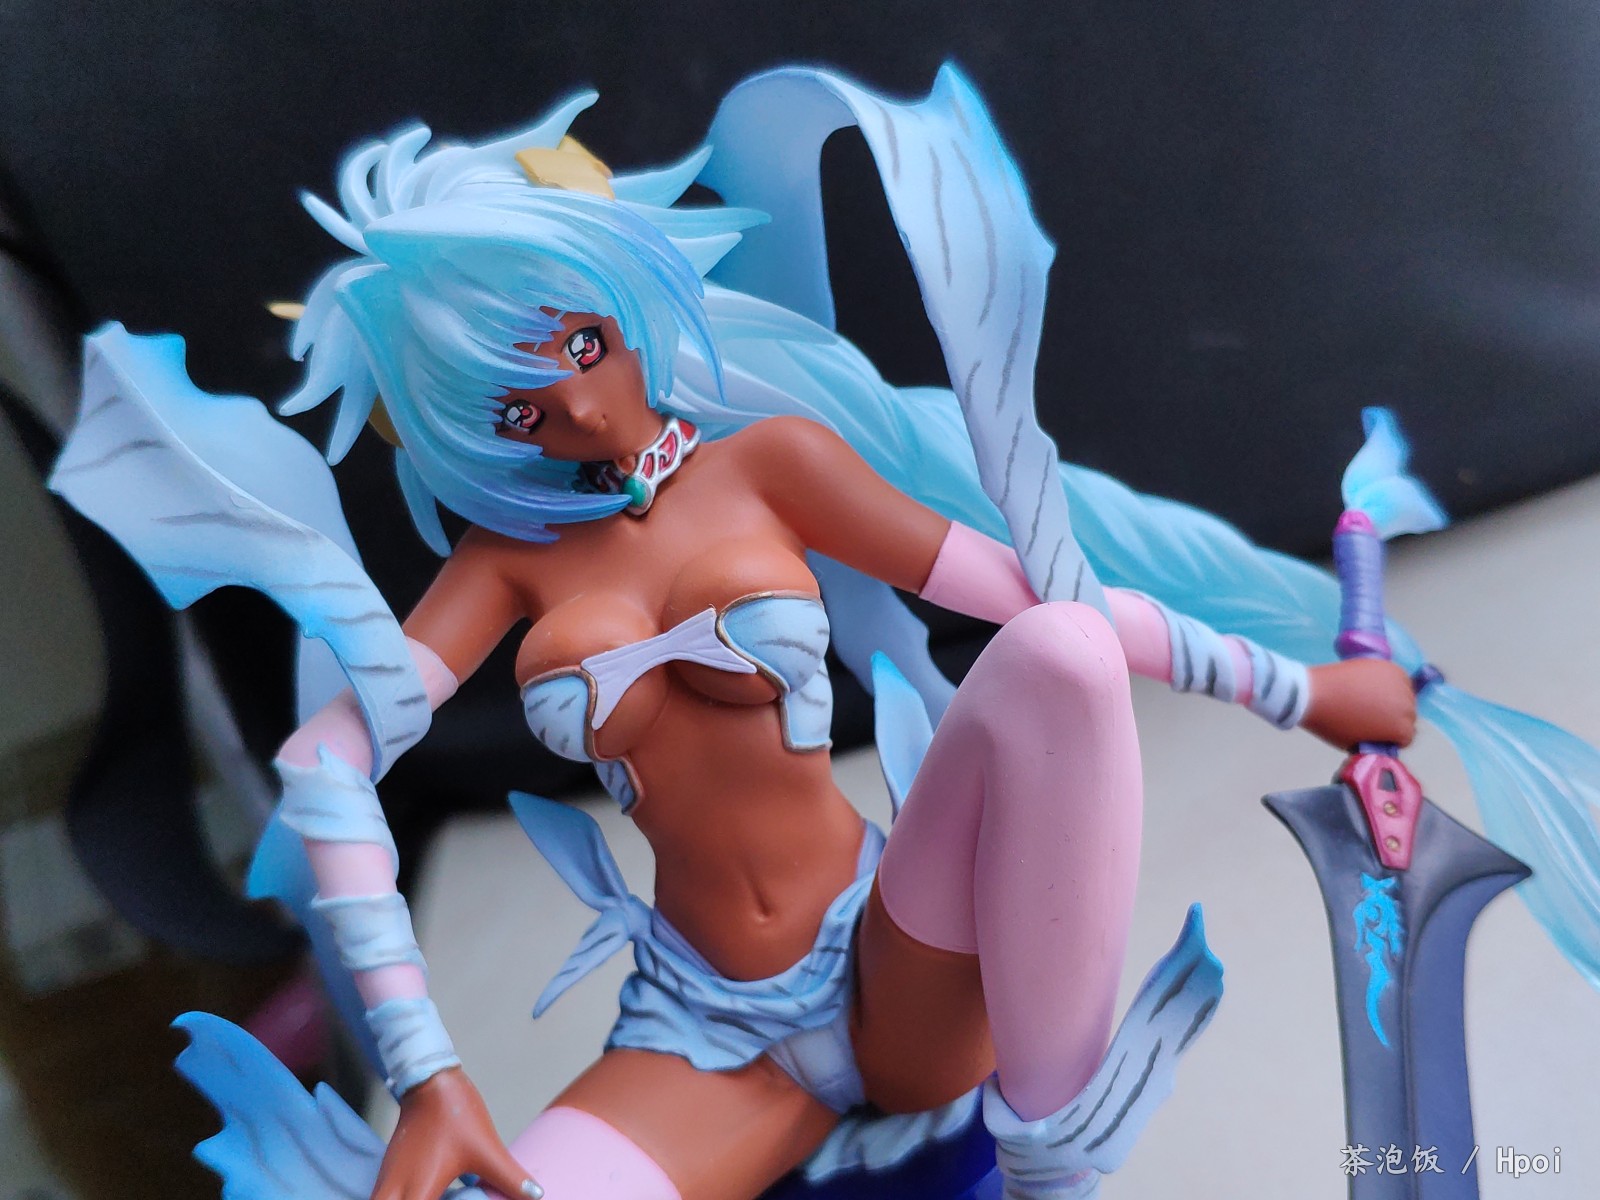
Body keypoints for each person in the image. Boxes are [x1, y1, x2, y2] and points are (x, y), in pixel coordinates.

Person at [53, 65, 1598, 1200]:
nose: (580, 409)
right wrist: (426, 1071)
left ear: (623, 297)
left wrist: (1309, 688)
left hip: (897, 962)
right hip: (699, 1026)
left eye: (583, 343)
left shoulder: (768, 467)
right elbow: (327, 768)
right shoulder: (504, 570)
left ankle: (1053, 1148)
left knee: (1056, 655)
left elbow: (1049, 605)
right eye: (520, 405)